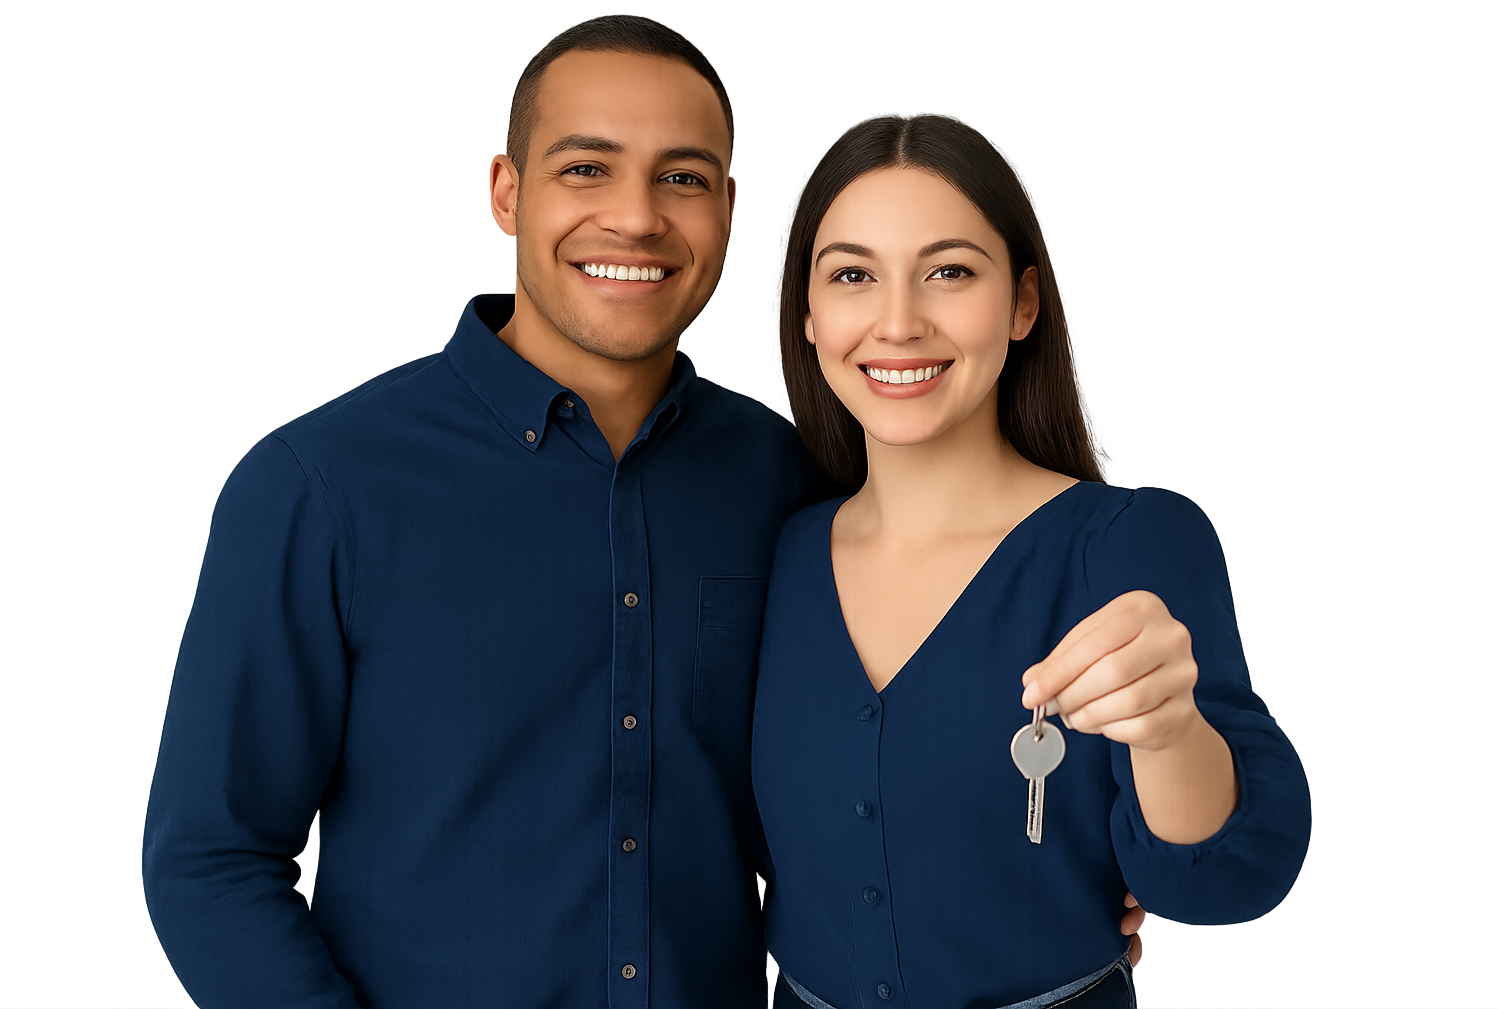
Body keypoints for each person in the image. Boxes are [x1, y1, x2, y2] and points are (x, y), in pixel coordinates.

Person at [140, 17, 1145, 1008]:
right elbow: (210, 856)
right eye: (586, 168)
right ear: (504, 191)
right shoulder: (316, 485)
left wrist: (1061, 862)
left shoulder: (793, 476)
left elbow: (869, 760)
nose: (636, 216)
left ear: (729, 209)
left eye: (683, 177)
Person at [752, 112, 1311, 1009]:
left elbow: (1220, 884)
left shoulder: (1130, 542)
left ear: (1021, 302)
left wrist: (1170, 731)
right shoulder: (776, 550)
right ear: (809, 318)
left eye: (948, 272)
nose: (897, 322)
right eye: (854, 275)